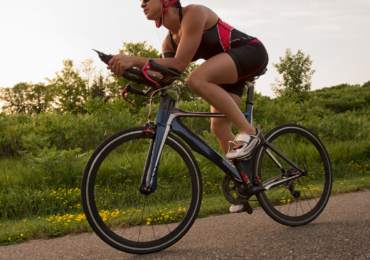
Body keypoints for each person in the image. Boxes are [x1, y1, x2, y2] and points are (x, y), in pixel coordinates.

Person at [107, 0, 269, 213]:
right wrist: (132, 75)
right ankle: (244, 182)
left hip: (250, 52)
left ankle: (250, 132)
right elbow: (166, 75)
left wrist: (134, 59)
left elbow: (179, 64)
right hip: (224, 70)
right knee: (219, 128)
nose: (142, 4)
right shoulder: (169, 42)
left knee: (196, 79)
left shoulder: (194, 13)